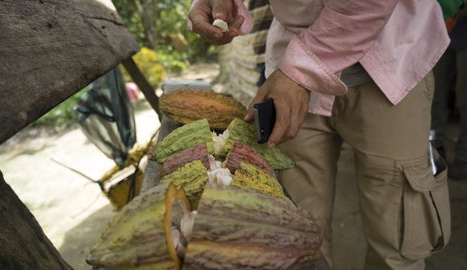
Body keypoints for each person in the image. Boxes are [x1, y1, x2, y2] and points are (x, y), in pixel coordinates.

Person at [188, 1, 451, 269]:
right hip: (291, 58)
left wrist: (300, 73)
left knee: (397, 240)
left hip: (392, 55)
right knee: (296, 235)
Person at [431, 11, 467, 180]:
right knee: (434, 96)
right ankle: (436, 149)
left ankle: (464, 156)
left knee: (464, 100)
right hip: (441, 30)